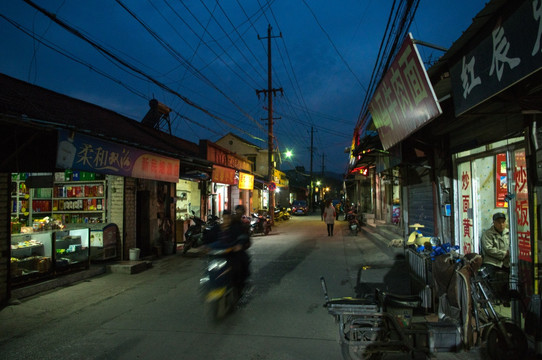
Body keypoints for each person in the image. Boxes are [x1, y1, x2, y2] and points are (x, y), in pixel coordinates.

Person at [481, 212, 510, 303]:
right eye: (498, 222)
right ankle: (490, 299)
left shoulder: (509, 233)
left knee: (513, 276)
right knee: (486, 276)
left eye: (503, 222)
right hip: (492, 261)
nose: (501, 225)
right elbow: (488, 249)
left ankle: (506, 298)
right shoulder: (488, 234)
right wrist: (504, 253)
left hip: (506, 262)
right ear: (494, 223)